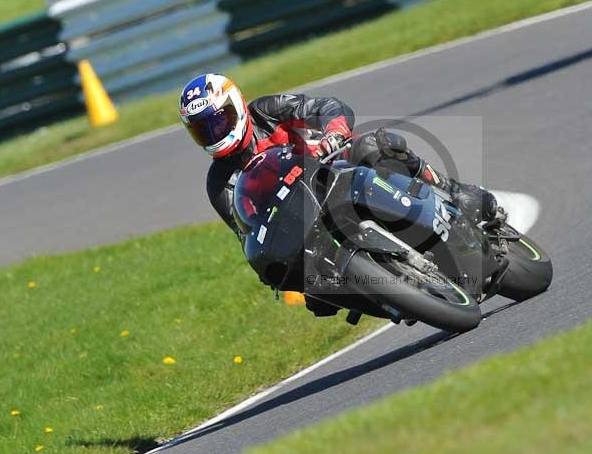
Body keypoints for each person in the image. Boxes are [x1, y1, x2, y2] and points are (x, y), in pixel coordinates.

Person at [178, 74, 500, 312]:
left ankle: (451, 191)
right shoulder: (219, 182)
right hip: (300, 215)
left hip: (337, 167)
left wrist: (333, 134)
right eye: (203, 130)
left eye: (219, 123)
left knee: (378, 145)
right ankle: (390, 296)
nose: (214, 134)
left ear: (236, 107)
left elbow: (328, 107)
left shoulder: (267, 110)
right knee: (314, 292)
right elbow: (245, 229)